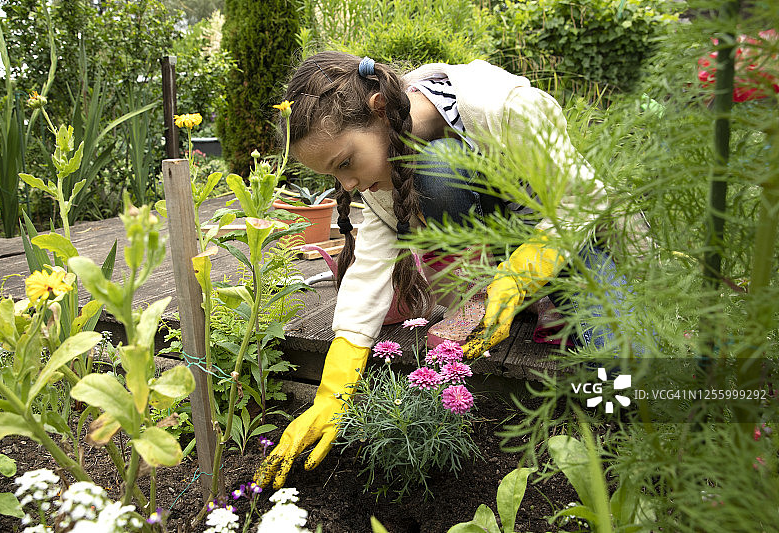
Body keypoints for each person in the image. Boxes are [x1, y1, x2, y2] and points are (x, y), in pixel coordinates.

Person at [254, 51, 628, 489]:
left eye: (345, 164)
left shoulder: (500, 105)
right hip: (499, 253)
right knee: (435, 168)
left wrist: (520, 277)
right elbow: (370, 273)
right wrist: (330, 394)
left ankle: (536, 296)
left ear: (378, 111)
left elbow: (580, 200)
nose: (347, 185)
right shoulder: (386, 167)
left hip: (567, 239)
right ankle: (499, 292)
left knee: (628, 362)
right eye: (335, 177)